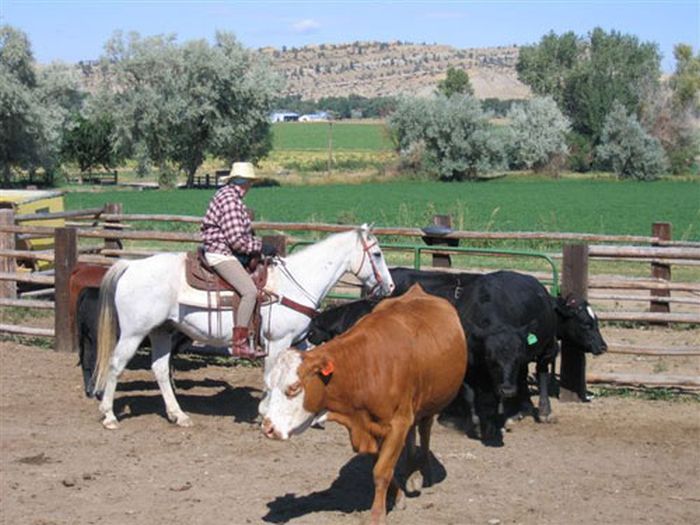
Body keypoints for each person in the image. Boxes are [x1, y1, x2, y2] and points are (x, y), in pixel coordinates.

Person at [201, 162, 277, 358]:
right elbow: (236, 241)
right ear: (245, 182)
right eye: (250, 182)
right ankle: (240, 343)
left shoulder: (228, 195)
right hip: (221, 253)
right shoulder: (231, 201)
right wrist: (261, 246)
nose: (250, 186)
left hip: (223, 250)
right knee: (250, 292)